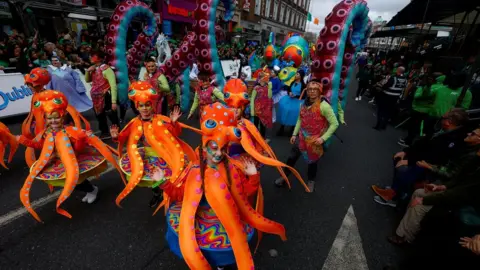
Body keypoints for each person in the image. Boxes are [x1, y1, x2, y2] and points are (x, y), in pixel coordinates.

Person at [148, 102, 306, 270]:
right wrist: (163, 181)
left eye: (222, 149)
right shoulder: (194, 170)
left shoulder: (233, 169)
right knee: (200, 254)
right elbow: (180, 194)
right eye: (213, 148)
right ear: (204, 147)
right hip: (200, 222)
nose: (218, 154)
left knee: (220, 259)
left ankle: (220, 265)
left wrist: (253, 176)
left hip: (224, 223)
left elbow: (245, 194)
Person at [17, 90, 124, 222]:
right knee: (69, 182)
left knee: (76, 181)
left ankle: (92, 190)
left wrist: (80, 139)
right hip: (59, 162)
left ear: (62, 117)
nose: (53, 121)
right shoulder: (46, 133)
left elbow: (78, 148)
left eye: (56, 117)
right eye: (50, 118)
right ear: (46, 120)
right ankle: (90, 190)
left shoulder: (69, 131)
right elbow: (40, 146)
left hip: (74, 160)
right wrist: (23, 140)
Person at [388, 127, 480, 245]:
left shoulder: (472, 159)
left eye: (472, 133)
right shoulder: (469, 152)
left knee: (420, 201)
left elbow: (461, 191)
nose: (468, 133)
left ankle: (405, 237)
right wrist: (443, 187)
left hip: (465, 204)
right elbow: (458, 179)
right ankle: (407, 228)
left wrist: (426, 198)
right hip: (451, 189)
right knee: (419, 191)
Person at [373, 109, 470, 207]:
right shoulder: (441, 129)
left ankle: (394, 197)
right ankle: (394, 190)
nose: (441, 119)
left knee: (405, 169)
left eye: (443, 118)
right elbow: (423, 143)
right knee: (398, 157)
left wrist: (410, 161)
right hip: (423, 159)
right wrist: (406, 152)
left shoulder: (455, 140)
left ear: (449, 122)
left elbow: (434, 157)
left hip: (431, 166)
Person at [110, 81, 184, 209]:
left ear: (152, 106)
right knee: (153, 181)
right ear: (137, 107)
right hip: (148, 157)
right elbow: (123, 137)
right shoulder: (134, 123)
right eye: (141, 105)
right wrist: (116, 136)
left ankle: (169, 195)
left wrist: (173, 123)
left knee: (166, 178)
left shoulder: (160, 119)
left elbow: (175, 133)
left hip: (163, 156)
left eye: (148, 105)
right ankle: (157, 194)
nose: (145, 108)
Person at [275, 81, 339, 192]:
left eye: (315, 89)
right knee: (291, 158)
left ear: (319, 91)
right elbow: (300, 119)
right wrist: (294, 134)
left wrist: (323, 138)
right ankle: (284, 176)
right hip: (301, 137)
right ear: (307, 91)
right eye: (310, 89)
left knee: (312, 162)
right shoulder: (303, 104)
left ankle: (311, 181)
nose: (312, 91)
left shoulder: (324, 106)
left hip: (315, 140)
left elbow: (335, 124)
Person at [85, 50, 119, 139]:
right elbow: (87, 80)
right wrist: (88, 71)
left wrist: (114, 102)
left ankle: (117, 132)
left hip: (105, 96)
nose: (90, 57)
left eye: (92, 56)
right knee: (99, 115)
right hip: (96, 98)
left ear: (99, 58)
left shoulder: (106, 69)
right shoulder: (93, 68)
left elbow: (113, 85)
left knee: (111, 114)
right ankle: (104, 131)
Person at [277, 70, 306, 136]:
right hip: (289, 99)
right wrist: (289, 93)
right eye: (296, 74)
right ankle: (282, 128)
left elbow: (304, 95)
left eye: (297, 74)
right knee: (285, 111)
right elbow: (288, 90)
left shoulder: (303, 85)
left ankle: (293, 130)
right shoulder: (292, 82)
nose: (296, 75)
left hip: (297, 101)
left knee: (295, 114)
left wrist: (296, 95)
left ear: (301, 76)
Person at [250, 72, 273, 139]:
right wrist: (252, 110)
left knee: (263, 125)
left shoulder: (267, 87)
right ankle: (255, 137)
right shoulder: (256, 88)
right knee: (256, 124)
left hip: (264, 110)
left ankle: (262, 138)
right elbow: (252, 99)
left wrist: (270, 87)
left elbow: (269, 97)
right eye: (261, 78)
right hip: (257, 110)